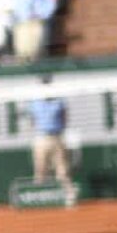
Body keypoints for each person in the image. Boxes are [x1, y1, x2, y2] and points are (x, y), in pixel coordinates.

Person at [27, 76, 75, 206]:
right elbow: (32, 121)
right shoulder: (34, 102)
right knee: (40, 169)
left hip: (57, 137)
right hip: (41, 138)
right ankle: (36, 199)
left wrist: (61, 133)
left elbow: (65, 118)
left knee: (62, 170)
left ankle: (70, 197)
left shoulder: (60, 101)